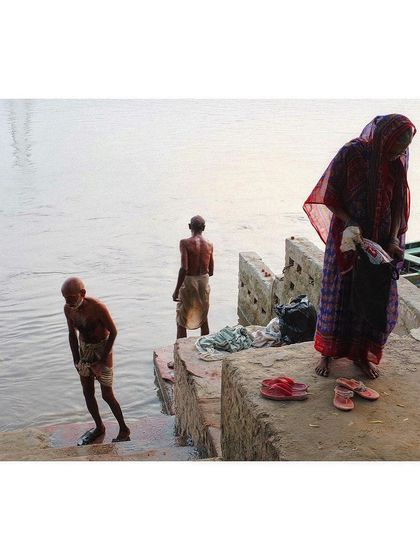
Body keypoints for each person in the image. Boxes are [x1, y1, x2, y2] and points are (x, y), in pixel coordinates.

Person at [303, 114, 416, 379]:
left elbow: (398, 204)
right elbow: (329, 196)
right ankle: (327, 353)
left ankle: (362, 356)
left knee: (374, 299)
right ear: (384, 138)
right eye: (395, 147)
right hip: (349, 240)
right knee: (340, 293)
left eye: (402, 149)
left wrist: (392, 239)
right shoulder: (352, 154)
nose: (398, 153)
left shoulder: (395, 165)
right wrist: (350, 220)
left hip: (380, 242)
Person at [61, 277, 130, 443]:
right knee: (87, 391)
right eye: (65, 299)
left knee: (107, 394)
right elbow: (72, 333)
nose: (69, 302)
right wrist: (76, 359)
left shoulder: (98, 308)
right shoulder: (68, 309)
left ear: (82, 293)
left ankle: (124, 429)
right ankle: (99, 427)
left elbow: (113, 332)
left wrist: (101, 361)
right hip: (84, 349)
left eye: (72, 298)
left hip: (102, 349)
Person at [172, 215, 214, 339]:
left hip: (189, 281)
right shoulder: (210, 244)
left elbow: (184, 268)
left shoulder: (185, 243)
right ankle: (205, 346)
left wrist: (176, 291)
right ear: (204, 228)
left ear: (190, 226)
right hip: (203, 280)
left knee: (181, 319)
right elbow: (211, 271)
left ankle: (180, 350)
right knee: (203, 316)